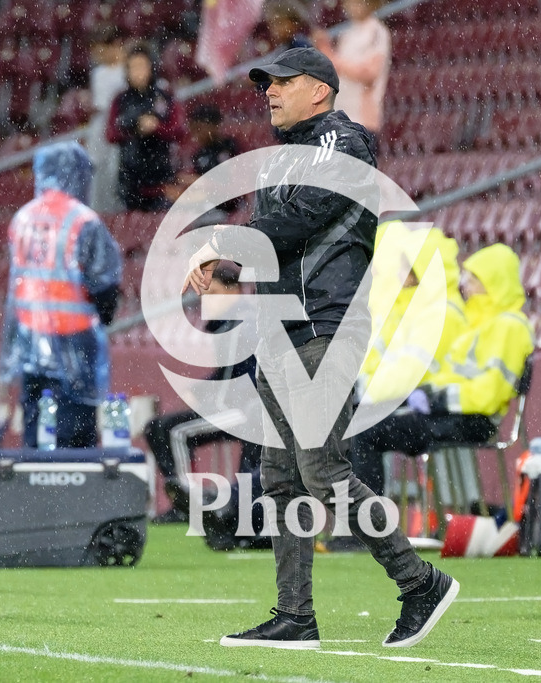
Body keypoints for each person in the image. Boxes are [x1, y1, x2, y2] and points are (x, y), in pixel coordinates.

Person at [182, 47, 458, 649]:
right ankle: (295, 616)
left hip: (327, 324)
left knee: (322, 469)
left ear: (321, 90)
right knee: (281, 478)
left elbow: (310, 213)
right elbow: (276, 239)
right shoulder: (276, 159)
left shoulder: (343, 141)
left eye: (284, 81)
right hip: (282, 329)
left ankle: (420, 583)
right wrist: (226, 261)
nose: (270, 92)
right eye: (266, 85)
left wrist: (220, 240)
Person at [352, 243, 535, 497]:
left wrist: (436, 398)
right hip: (452, 415)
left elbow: (489, 394)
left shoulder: (510, 327)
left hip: (471, 420)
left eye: (472, 279)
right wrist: (427, 391)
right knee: (361, 427)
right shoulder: (479, 321)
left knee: (364, 433)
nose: (466, 286)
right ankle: (362, 525)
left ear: (492, 282)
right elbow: (453, 374)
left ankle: (365, 526)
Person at [0, 142, 122, 449]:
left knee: (35, 425)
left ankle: (34, 492)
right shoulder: (83, 220)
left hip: (29, 338)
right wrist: (104, 315)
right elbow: (103, 282)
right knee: (74, 434)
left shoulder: (23, 218)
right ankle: (71, 491)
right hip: (73, 339)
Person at [348, 221, 468, 496]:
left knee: (357, 431)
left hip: (427, 409)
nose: (398, 273)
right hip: (408, 403)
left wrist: (361, 391)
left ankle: (363, 525)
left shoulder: (441, 313)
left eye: (407, 265)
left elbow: (411, 372)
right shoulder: (416, 309)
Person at [145, 260, 261, 524]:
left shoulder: (239, 323)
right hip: (239, 405)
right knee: (157, 428)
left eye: (213, 294)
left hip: (250, 409)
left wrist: (205, 398)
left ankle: (192, 505)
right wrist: (201, 392)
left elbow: (237, 382)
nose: (206, 302)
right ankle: (186, 499)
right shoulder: (230, 323)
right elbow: (230, 375)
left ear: (233, 290)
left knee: (177, 432)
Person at [105, 43, 185, 211]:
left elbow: (178, 130)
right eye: (133, 67)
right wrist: (133, 129)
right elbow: (111, 134)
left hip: (160, 177)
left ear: (151, 67)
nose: (138, 72)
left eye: (142, 66)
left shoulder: (164, 96)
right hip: (130, 178)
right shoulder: (121, 100)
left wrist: (156, 128)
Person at [312, 0, 391, 135]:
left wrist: (328, 53)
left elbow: (369, 74)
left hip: (361, 120)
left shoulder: (376, 31)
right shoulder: (347, 33)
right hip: (341, 118)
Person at [87, 23, 127, 214]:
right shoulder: (98, 74)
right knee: (97, 177)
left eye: (102, 49)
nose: (99, 55)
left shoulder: (128, 71)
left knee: (116, 175)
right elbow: (100, 107)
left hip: (122, 128)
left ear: (116, 45)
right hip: (101, 129)